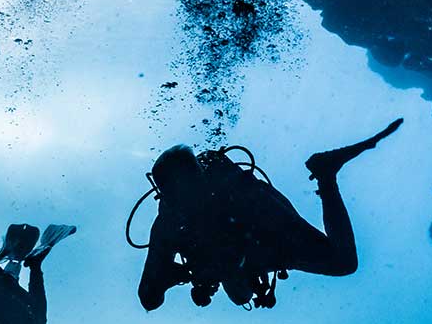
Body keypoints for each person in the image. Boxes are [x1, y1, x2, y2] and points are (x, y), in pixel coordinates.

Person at [135, 120, 402, 310]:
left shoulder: (241, 194)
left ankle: (326, 174)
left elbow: (286, 224)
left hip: (266, 238)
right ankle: (326, 173)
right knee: (235, 284)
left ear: (199, 180)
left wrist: (237, 260)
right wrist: (173, 276)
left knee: (343, 263)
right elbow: (148, 298)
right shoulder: (169, 221)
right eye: (171, 195)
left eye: (183, 192)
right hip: (242, 255)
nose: (178, 201)